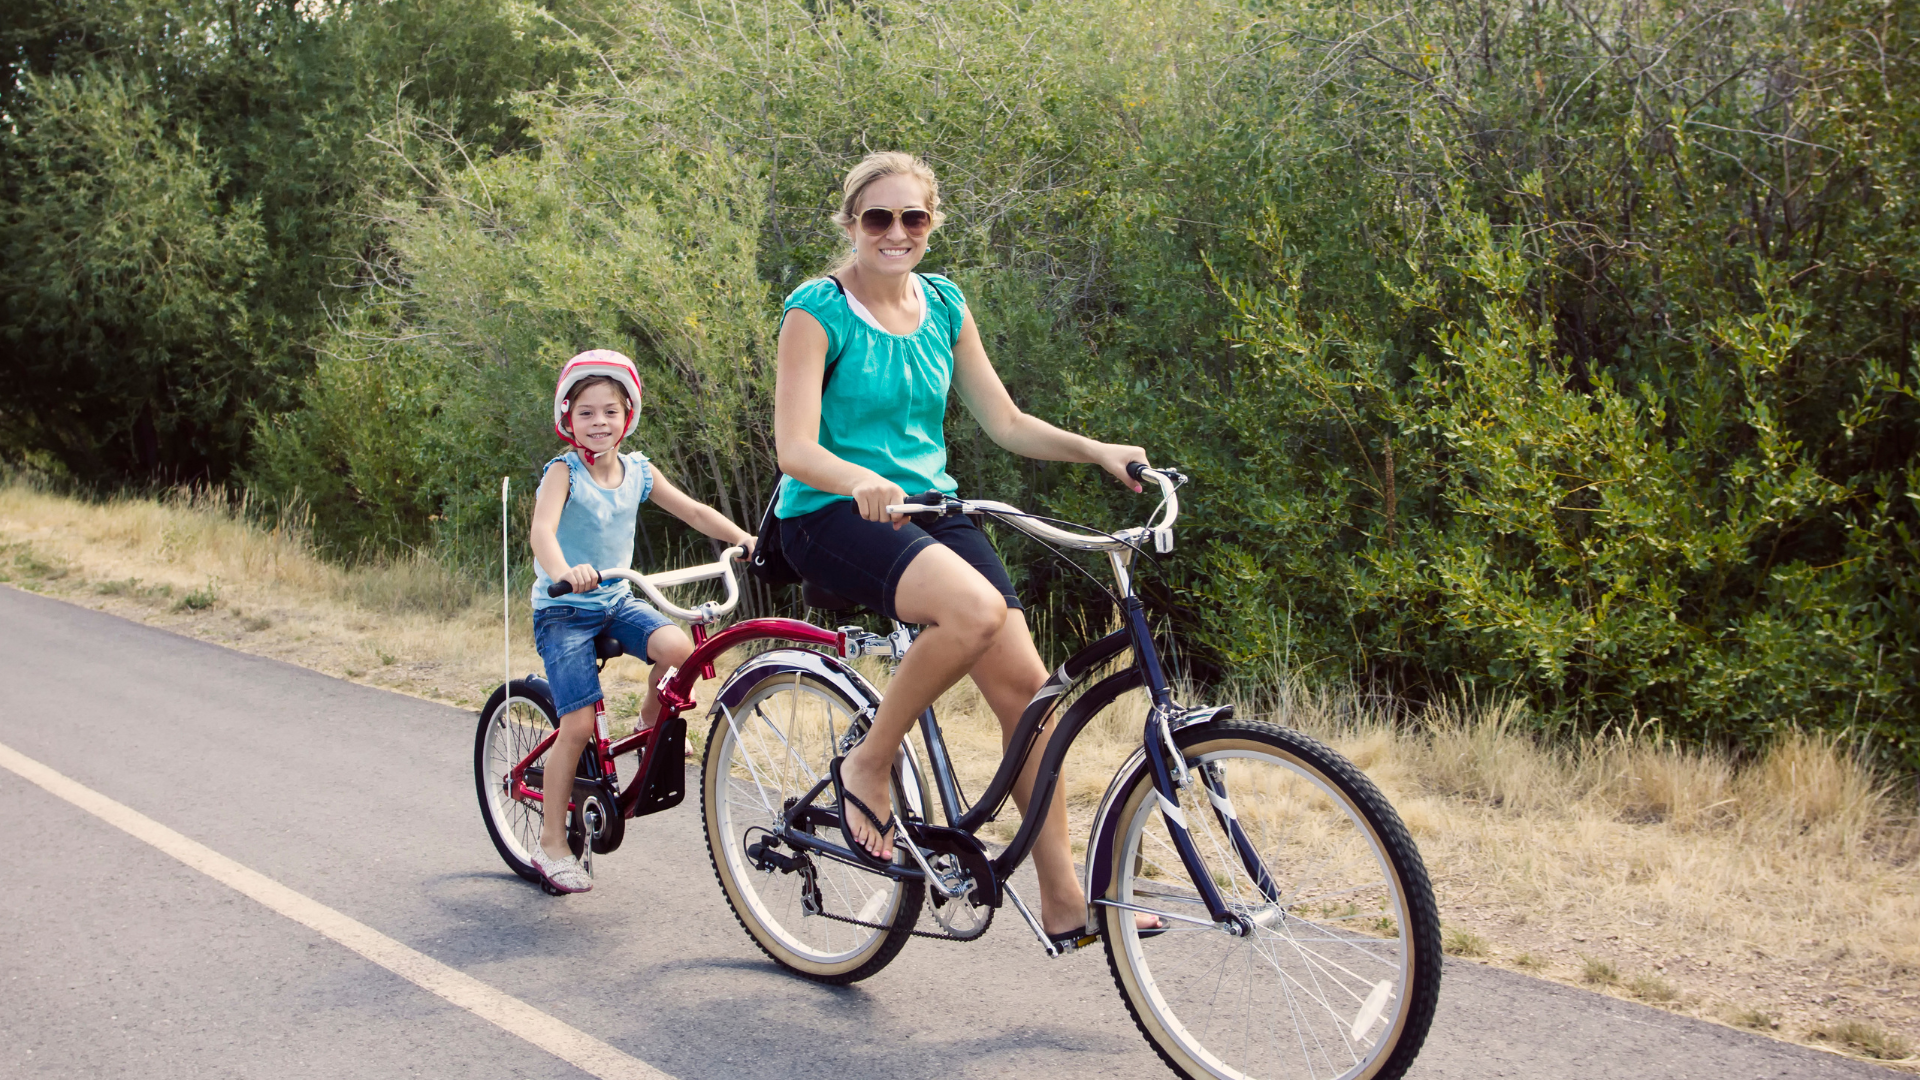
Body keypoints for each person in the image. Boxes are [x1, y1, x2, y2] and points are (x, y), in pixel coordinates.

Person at [772, 151, 1160, 947]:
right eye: (877, 217)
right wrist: (858, 480)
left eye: (913, 217)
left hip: (930, 510)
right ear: (851, 223)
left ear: (931, 224)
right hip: (829, 511)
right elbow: (794, 448)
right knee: (974, 610)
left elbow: (1006, 421)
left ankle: (1063, 901)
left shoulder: (945, 304)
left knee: (1029, 696)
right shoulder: (817, 310)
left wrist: (1097, 450)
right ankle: (869, 764)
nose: (895, 232)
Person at [528, 350, 755, 894]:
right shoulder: (564, 472)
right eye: (586, 412)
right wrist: (564, 572)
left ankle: (645, 725)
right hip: (563, 609)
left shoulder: (639, 472)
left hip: (615, 599)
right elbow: (542, 532)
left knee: (682, 653)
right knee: (578, 726)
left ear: (627, 415)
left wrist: (745, 539)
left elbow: (695, 512)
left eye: (610, 410)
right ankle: (551, 845)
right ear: (568, 418)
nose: (598, 422)